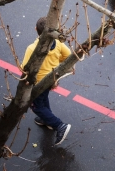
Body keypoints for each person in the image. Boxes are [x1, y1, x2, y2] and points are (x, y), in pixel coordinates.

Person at [22, 17, 72, 145]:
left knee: (36, 106)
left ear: (36, 30)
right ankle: (46, 119)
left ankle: (60, 125)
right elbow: (68, 56)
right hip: (51, 79)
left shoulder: (32, 48)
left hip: (38, 83)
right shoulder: (58, 44)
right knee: (43, 99)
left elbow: (25, 68)